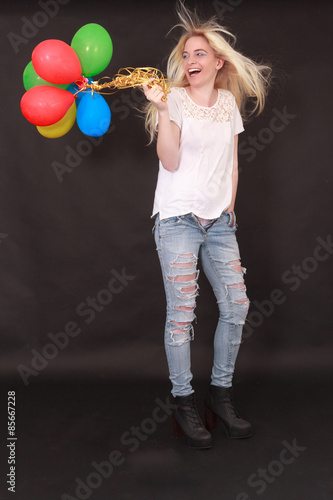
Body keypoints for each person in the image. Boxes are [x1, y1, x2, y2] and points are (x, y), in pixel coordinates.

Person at [142, 2, 271, 449]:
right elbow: (171, 160)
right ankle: (183, 402)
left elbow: (232, 164)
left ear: (218, 61)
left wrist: (229, 207)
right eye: (186, 55)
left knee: (237, 307)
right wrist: (161, 110)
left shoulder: (229, 104)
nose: (191, 61)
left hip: (219, 223)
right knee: (182, 316)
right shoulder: (174, 99)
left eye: (200, 54)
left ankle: (219, 396)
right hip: (177, 218)